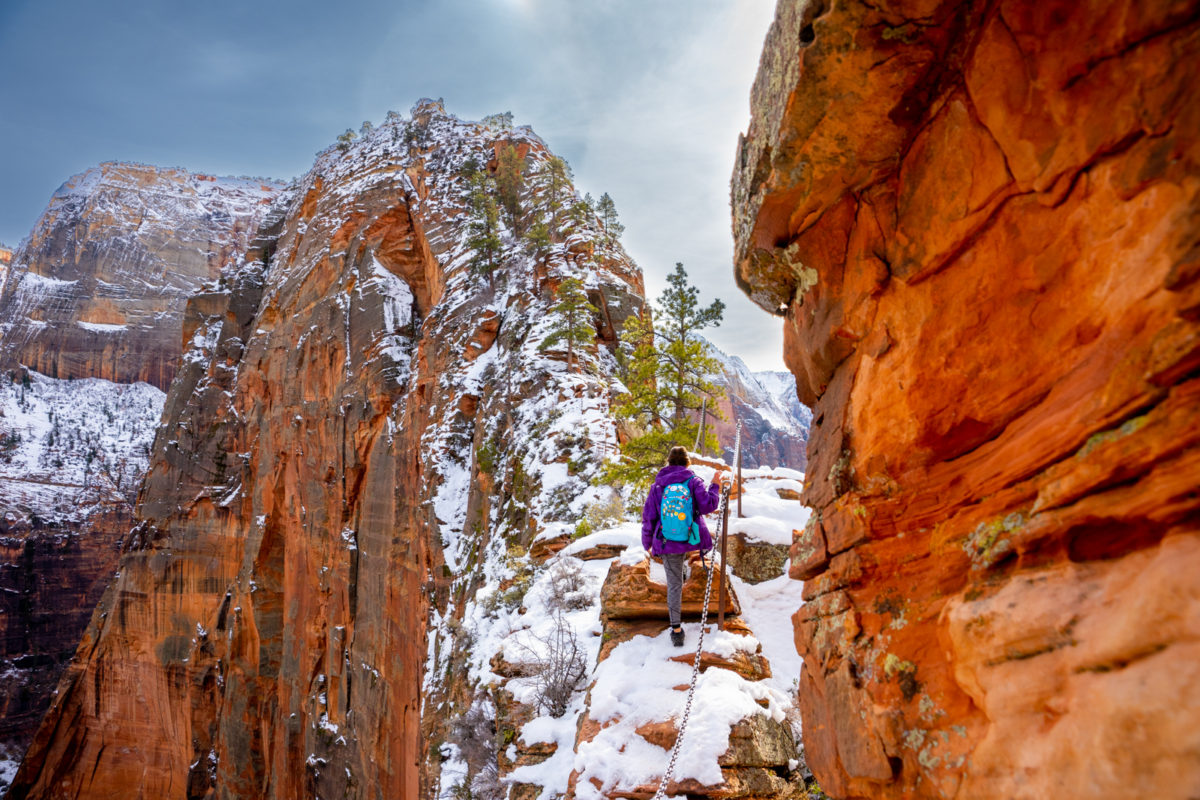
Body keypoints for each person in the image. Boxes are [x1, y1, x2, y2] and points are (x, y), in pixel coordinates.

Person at [641, 446, 726, 647]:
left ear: (668, 463)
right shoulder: (693, 481)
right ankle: (687, 570)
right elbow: (708, 505)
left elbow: (649, 517)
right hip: (691, 537)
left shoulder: (657, 487)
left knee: (674, 585)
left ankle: (676, 630)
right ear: (688, 463)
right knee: (689, 556)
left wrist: (648, 543)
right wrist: (715, 485)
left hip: (667, 540)